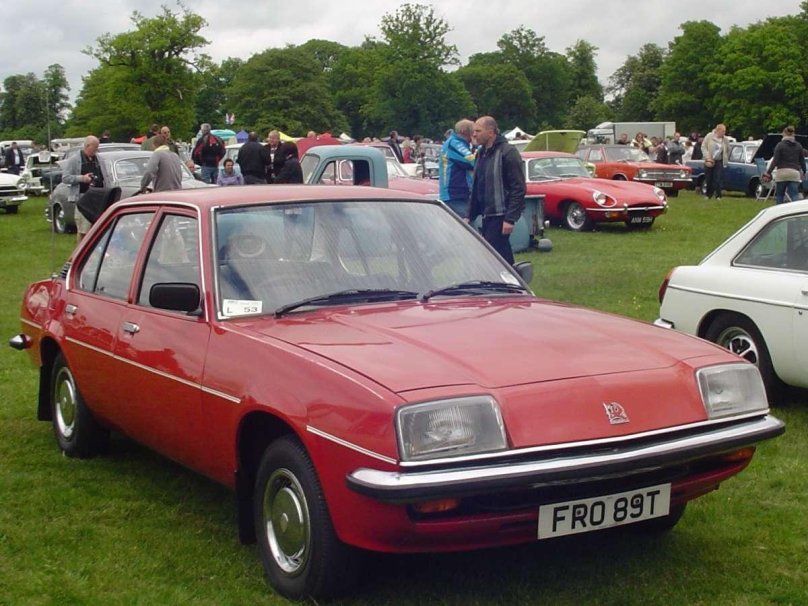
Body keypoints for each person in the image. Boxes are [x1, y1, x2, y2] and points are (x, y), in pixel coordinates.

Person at [468, 116, 526, 265]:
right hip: (487, 214)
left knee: (492, 254)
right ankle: (513, 277)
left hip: (501, 214)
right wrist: (469, 215)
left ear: (490, 132)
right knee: (499, 255)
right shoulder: (481, 153)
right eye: (474, 131)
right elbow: (477, 187)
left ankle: (510, 277)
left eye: (478, 131)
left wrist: (510, 219)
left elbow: (518, 187)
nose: (474, 134)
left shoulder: (508, 152)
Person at [61, 135, 104, 242]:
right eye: (95, 147)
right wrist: (82, 178)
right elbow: (65, 178)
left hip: (97, 198)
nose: (96, 150)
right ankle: (80, 250)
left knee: (96, 229)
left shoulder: (98, 159)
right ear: (87, 146)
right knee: (83, 230)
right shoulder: (74, 160)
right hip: (82, 199)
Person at [439, 119, 476, 218]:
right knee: (469, 226)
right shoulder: (455, 144)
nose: (475, 134)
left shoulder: (455, 142)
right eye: (474, 131)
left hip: (457, 193)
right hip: (454, 193)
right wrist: (479, 146)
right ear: (468, 132)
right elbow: (472, 162)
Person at [765, 125, 806, 204]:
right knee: (794, 195)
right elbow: (802, 161)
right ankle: (796, 210)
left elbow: (775, 161)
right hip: (794, 173)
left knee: (780, 195)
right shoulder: (798, 146)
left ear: (784, 134)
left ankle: (779, 210)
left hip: (782, 173)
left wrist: (768, 172)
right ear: (793, 134)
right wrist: (804, 171)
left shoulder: (780, 145)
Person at [701, 123, 730, 199]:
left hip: (719, 161)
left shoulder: (725, 139)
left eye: (725, 131)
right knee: (709, 178)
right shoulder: (709, 136)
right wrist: (707, 157)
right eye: (723, 131)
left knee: (718, 178)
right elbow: (703, 147)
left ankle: (718, 195)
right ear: (718, 130)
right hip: (709, 160)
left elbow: (728, 149)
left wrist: (725, 157)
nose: (724, 133)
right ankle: (708, 195)